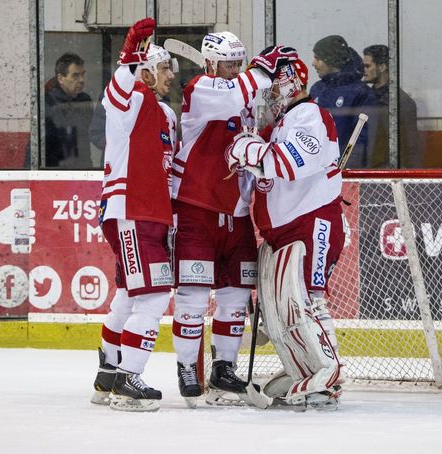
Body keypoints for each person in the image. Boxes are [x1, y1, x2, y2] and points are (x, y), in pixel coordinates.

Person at [169, 32, 297, 407]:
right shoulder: (202, 87)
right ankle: (186, 368)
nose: (234, 70)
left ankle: (224, 366)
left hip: (236, 212)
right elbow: (234, 95)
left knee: (235, 297)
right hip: (196, 207)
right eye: (228, 63)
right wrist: (260, 69)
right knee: (193, 295)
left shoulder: (244, 90)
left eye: (239, 63)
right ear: (210, 63)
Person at [225, 58, 345, 410]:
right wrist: (247, 148)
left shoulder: (309, 116)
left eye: (273, 85)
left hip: (312, 222)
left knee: (309, 298)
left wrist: (247, 149)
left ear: (292, 82)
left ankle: (329, 373)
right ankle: (304, 369)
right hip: (285, 231)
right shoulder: (281, 124)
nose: (269, 93)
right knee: (284, 310)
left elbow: (287, 165)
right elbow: (242, 161)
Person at [90, 18, 179, 412]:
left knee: (128, 295)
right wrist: (128, 55)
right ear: (145, 70)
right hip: (131, 211)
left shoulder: (165, 115)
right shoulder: (133, 99)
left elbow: (170, 170)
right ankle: (129, 379)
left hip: (152, 215)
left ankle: (108, 374)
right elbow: (116, 93)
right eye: (163, 69)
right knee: (155, 294)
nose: (170, 77)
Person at [310, 35, 376, 168]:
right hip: (315, 170)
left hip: (342, 171)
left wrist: (345, 171)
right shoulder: (317, 89)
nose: (313, 63)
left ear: (330, 59)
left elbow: (360, 140)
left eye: (318, 58)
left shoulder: (360, 92)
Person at [362, 44, 420, 168]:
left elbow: (411, 146)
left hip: (388, 171)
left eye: (367, 66)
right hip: (368, 169)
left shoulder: (401, 102)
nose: (364, 70)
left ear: (382, 67)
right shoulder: (366, 97)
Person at [45, 52, 94, 168]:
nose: (81, 80)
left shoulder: (85, 101)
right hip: (55, 171)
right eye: (75, 75)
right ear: (61, 78)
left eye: (82, 74)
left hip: (82, 168)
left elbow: (84, 139)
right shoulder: (47, 103)